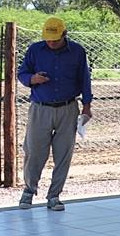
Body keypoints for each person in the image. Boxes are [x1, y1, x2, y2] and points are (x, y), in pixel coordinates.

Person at [17, 17, 92, 211]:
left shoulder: (77, 52)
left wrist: (87, 106)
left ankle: (54, 196)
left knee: (63, 153)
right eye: (48, 39)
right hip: (40, 108)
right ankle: (29, 190)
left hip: (68, 108)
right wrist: (32, 79)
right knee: (34, 151)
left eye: (55, 39)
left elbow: (85, 79)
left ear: (64, 35)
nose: (51, 43)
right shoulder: (35, 50)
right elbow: (22, 73)